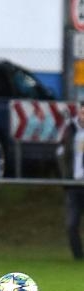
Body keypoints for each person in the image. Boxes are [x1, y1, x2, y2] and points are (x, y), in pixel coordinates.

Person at [57, 102, 84, 260]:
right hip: (74, 186)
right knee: (71, 224)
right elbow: (62, 155)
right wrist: (66, 177)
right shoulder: (71, 131)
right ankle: (78, 257)